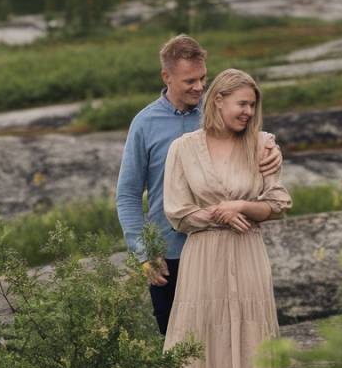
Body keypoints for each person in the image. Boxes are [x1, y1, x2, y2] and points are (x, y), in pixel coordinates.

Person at [115, 35, 282, 336]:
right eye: (189, 80)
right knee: (179, 348)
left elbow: (251, 134)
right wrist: (144, 253)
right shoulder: (144, 123)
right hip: (168, 256)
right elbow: (127, 195)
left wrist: (271, 147)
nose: (199, 87)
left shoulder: (218, 112)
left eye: (203, 78)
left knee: (227, 341)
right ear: (166, 76)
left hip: (222, 248)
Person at [161, 68, 292, 368]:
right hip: (204, 255)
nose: (248, 112)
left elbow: (277, 204)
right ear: (218, 100)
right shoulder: (183, 148)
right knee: (204, 335)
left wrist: (242, 206)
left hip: (247, 251)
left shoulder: (263, 144)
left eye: (253, 106)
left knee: (251, 336)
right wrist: (219, 214)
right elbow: (177, 212)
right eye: (242, 104)